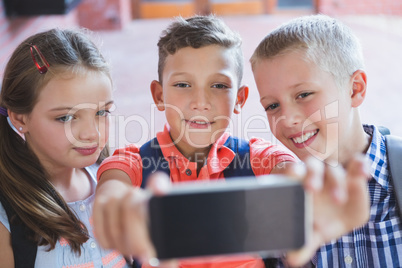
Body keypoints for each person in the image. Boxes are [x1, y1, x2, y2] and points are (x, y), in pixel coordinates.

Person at [93, 15, 370, 268]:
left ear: (239, 99)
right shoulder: (132, 162)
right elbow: (111, 193)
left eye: (218, 86)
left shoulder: (260, 157)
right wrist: (118, 211)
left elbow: (292, 177)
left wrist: (310, 199)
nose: (200, 102)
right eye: (182, 84)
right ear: (159, 95)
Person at [250, 14, 402, 268]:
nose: (287, 119)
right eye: (272, 105)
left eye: (304, 94)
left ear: (355, 89)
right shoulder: (272, 205)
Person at [0, 28, 131, 268]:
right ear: (20, 119)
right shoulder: (7, 214)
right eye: (66, 117)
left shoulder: (114, 179)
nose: (92, 133)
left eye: (101, 112)